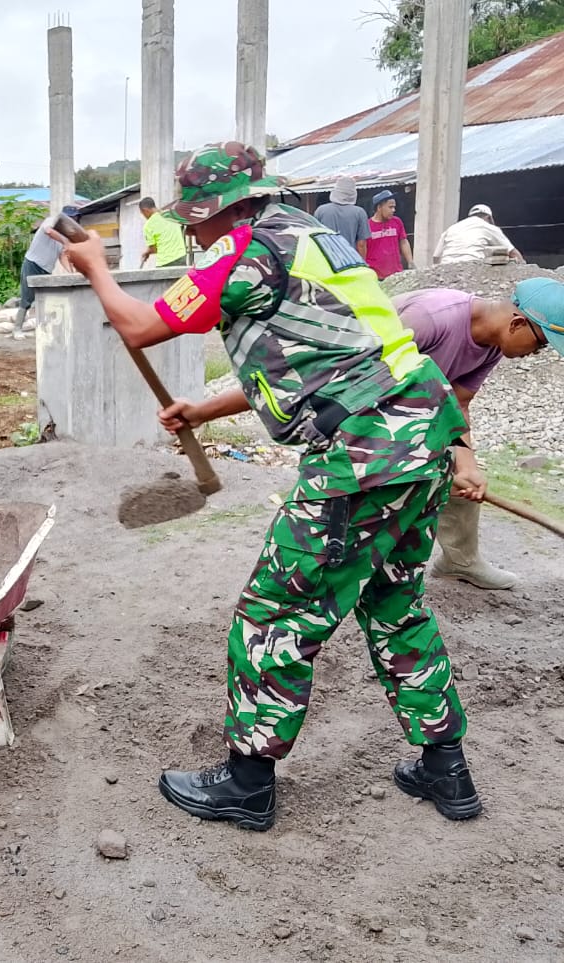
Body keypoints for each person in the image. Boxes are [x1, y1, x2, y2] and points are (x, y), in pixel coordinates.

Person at [50, 142, 480, 832]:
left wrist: (96, 265)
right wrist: (199, 409)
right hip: (423, 439)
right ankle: (445, 765)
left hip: (363, 458)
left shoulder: (246, 253)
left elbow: (136, 325)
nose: (195, 236)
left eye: (194, 223)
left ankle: (248, 782)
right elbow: (318, 362)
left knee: (274, 616)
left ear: (216, 210)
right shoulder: (314, 241)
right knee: (396, 602)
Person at [394, 281, 564, 589]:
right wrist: (416, 456)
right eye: (540, 344)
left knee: (459, 469)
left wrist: (467, 466)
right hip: (348, 401)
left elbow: (456, 404)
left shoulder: (490, 347)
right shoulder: (430, 319)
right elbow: (363, 379)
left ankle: (460, 561)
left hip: (409, 406)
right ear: (517, 324)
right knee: (395, 481)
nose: (536, 354)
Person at [15, 207, 78, 331]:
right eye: (71, 218)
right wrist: (65, 241)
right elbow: (48, 231)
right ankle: (17, 329)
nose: (73, 221)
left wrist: (71, 273)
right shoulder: (51, 221)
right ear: (63, 218)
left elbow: (62, 256)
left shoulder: (64, 236)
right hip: (32, 264)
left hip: (46, 270)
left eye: (74, 219)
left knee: (44, 300)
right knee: (27, 299)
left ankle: (43, 329)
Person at [433, 204, 524, 265]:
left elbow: (436, 256)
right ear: (488, 217)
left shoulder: (451, 228)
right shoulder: (488, 227)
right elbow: (512, 252)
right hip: (472, 266)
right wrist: (524, 266)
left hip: (446, 267)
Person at [313, 176, 371, 257]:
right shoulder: (359, 212)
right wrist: (363, 264)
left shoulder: (321, 211)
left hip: (327, 259)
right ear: (353, 192)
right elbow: (361, 244)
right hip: (350, 260)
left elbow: (315, 239)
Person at [364, 189, 414, 279]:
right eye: (390, 207)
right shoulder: (367, 226)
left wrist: (410, 261)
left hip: (396, 274)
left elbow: (403, 242)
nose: (393, 210)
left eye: (394, 207)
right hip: (375, 276)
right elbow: (362, 247)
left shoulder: (397, 222)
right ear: (379, 207)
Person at [139, 196, 188, 268]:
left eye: (143, 213)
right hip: (181, 257)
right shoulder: (171, 215)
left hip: (165, 262)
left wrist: (147, 252)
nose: (144, 216)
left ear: (145, 210)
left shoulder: (149, 225)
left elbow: (154, 249)